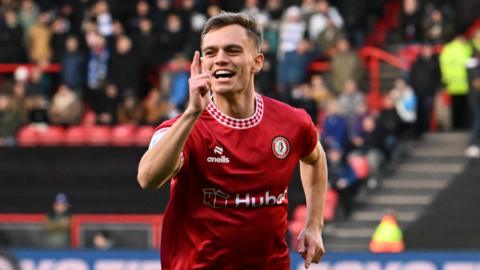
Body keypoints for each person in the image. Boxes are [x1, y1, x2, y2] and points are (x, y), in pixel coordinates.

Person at [137, 12, 327, 269]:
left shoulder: (291, 122)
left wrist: (314, 225)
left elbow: (315, 157)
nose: (220, 59)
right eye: (211, 53)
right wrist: (192, 113)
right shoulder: (184, 129)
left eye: (233, 50)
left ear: (257, 62)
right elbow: (147, 178)